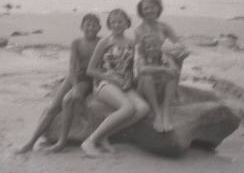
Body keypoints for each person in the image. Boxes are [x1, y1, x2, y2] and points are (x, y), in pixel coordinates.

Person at [16, 13, 102, 154]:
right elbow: (72, 67)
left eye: (94, 25)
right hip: (74, 77)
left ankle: (61, 142)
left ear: (99, 27)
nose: (90, 27)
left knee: (68, 100)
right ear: (81, 27)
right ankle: (31, 142)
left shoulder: (101, 42)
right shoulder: (76, 43)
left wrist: (80, 88)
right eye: (87, 24)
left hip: (88, 80)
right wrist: (74, 86)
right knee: (52, 108)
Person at [81, 9, 149, 157]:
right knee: (127, 107)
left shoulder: (131, 43)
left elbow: (132, 67)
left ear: (126, 23)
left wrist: (132, 82)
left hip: (124, 85)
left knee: (143, 108)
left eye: (120, 21)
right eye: (113, 22)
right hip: (104, 82)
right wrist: (112, 78)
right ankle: (89, 141)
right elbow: (90, 70)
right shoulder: (104, 42)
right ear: (109, 24)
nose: (116, 25)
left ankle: (104, 135)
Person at [137, 33, 179, 132]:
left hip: (159, 92)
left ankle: (165, 111)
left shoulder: (165, 56)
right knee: (146, 76)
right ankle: (157, 113)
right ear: (144, 49)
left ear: (160, 46)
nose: (152, 48)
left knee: (172, 76)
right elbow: (142, 69)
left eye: (155, 46)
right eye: (148, 46)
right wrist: (163, 69)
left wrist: (169, 65)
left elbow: (175, 70)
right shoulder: (142, 57)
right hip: (145, 93)